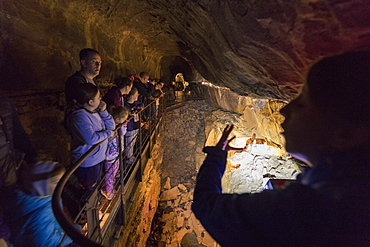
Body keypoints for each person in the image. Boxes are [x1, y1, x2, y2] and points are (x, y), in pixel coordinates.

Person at [192, 51, 370, 246]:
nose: (284, 110)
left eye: (301, 104)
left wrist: (216, 156)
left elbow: (206, 206)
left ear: (344, 134)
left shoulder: (306, 211)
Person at [6, 161, 72, 247]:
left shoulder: (39, 197)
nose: (62, 185)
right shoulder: (40, 214)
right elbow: (47, 241)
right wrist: (71, 234)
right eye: (57, 182)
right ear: (41, 185)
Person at [67, 83, 115, 190]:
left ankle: (93, 203)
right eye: (98, 97)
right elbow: (90, 139)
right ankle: (87, 205)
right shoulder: (79, 117)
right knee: (88, 186)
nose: (101, 99)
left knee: (96, 182)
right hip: (88, 161)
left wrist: (104, 112)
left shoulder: (94, 111)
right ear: (91, 102)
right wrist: (108, 134)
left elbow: (111, 126)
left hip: (97, 157)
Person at [101, 106, 129, 200]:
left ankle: (110, 186)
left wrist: (123, 125)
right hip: (110, 155)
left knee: (113, 171)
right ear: (117, 119)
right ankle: (107, 190)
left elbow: (122, 133)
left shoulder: (117, 126)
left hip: (115, 153)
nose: (126, 121)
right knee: (110, 173)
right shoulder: (109, 127)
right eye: (124, 119)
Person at [65, 48, 102, 115]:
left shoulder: (93, 80)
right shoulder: (75, 81)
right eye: (94, 61)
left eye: (99, 62)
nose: (98, 65)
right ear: (84, 63)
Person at [124, 88, 144, 164]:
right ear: (133, 96)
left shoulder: (135, 103)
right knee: (129, 143)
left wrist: (139, 107)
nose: (138, 95)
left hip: (136, 125)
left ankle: (130, 155)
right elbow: (127, 112)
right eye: (136, 94)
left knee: (133, 141)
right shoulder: (126, 105)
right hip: (130, 127)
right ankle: (128, 157)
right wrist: (132, 112)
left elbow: (141, 104)